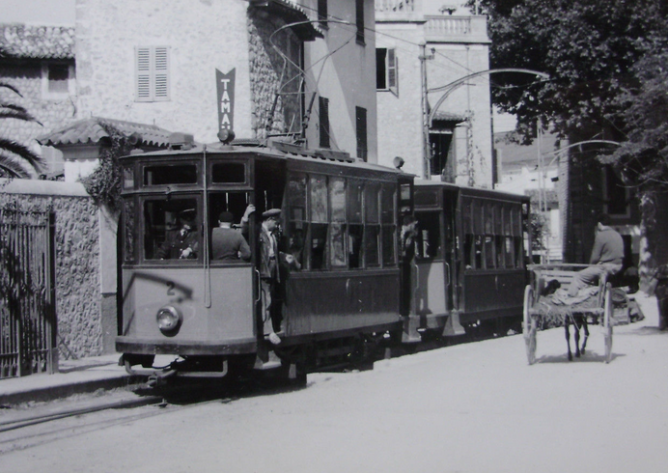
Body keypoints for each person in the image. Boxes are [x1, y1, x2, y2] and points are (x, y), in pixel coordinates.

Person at [567, 213, 624, 296]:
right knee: (594, 275)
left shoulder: (601, 235)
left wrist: (590, 266)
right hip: (618, 266)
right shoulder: (617, 234)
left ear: (599, 224)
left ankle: (571, 296)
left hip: (606, 267)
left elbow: (595, 257)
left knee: (579, 276)